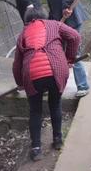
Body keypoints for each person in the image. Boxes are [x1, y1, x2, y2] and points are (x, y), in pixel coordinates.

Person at [13, 8, 81, 161]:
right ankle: (57, 140)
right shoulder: (55, 24)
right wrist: (69, 58)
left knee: (35, 111)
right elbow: (75, 37)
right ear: (44, 16)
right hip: (56, 70)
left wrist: (20, 83)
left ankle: (36, 148)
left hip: (32, 74)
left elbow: (17, 63)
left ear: (27, 20)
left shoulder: (23, 33)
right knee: (55, 104)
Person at [35, 0, 90, 97]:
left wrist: (66, 6)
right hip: (61, 22)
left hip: (71, 21)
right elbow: (54, 4)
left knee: (72, 52)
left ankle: (83, 85)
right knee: (56, 52)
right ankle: (53, 86)